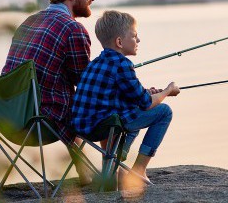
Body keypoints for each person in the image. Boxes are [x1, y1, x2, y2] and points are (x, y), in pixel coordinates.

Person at [1, 0, 95, 183]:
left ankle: (85, 172)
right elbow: (84, 84)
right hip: (40, 123)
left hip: (8, 117)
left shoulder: (28, 22)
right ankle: (108, 176)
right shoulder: (73, 29)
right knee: (96, 101)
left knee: (67, 100)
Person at [71, 10, 180, 187]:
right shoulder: (122, 64)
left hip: (82, 127)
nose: (138, 40)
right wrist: (167, 91)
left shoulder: (95, 63)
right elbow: (145, 103)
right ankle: (138, 169)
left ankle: (114, 167)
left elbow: (119, 93)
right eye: (135, 36)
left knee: (131, 109)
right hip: (106, 127)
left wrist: (147, 92)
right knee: (164, 112)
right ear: (120, 42)